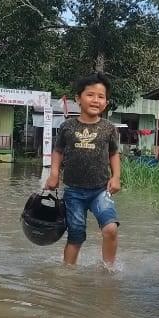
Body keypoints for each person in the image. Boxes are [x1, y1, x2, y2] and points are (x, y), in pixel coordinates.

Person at [44, 72, 121, 268]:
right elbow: (58, 152)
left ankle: (109, 270)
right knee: (76, 234)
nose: (95, 100)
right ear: (78, 98)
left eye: (101, 96)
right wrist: (54, 175)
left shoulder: (108, 128)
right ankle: (68, 272)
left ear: (106, 102)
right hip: (73, 191)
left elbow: (113, 154)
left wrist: (116, 177)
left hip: (100, 190)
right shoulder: (67, 127)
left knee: (111, 228)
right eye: (90, 95)